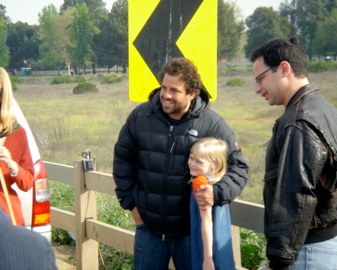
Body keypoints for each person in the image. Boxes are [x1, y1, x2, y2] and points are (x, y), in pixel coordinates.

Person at [113, 57, 249, 269]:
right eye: (163, 87)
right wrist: (131, 205)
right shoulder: (141, 116)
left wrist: (217, 192)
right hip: (149, 229)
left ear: (192, 93)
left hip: (191, 232)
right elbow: (122, 159)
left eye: (174, 90)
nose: (165, 95)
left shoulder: (212, 124)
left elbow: (239, 169)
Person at [250, 37, 337, 270]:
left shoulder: (298, 121)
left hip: (307, 252)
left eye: (260, 78)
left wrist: (279, 260)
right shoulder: (326, 109)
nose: (257, 88)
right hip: (326, 244)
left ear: (284, 68)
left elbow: (296, 194)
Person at [0, 66, 35, 226]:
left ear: (2, 97)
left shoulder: (16, 132)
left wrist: (11, 164)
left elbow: (28, 183)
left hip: (5, 218)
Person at [0, 177, 57, 270]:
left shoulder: (34, 247)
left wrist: (14, 169)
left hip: (9, 211)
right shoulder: (37, 248)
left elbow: (27, 183)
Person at [188, 137, 235, 270]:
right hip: (221, 238)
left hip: (207, 244)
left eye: (199, 161)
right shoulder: (218, 180)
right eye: (191, 158)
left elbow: (206, 222)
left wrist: (207, 259)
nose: (192, 163)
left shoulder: (201, 183)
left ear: (215, 164)